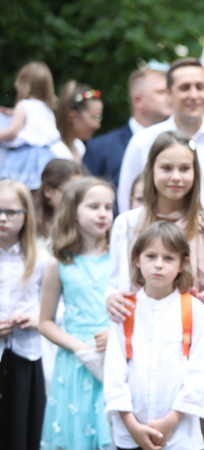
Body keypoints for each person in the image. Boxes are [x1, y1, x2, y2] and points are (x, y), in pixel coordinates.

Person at [105, 130, 204, 450]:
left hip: (188, 351)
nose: (175, 177)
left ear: (195, 173)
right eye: (166, 168)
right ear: (151, 171)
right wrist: (111, 299)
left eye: (184, 168)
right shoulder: (127, 224)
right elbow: (116, 283)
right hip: (136, 345)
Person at [104, 221, 204, 450]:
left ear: (183, 263)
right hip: (130, 432)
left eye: (168, 258)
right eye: (151, 256)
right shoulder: (125, 309)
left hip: (180, 434)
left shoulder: (194, 310)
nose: (158, 264)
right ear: (137, 259)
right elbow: (114, 370)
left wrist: (170, 421)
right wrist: (131, 424)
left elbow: (200, 370)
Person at [39, 177, 114, 450]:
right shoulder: (59, 262)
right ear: (73, 211)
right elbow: (45, 321)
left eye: (108, 207)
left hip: (112, 353)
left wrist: (115, 335)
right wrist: (77, 346)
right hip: (75, 361)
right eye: (94, 207)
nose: (103, 213)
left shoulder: (121, 258)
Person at [116, 57, 204, 215]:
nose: (193, 95)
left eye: (200, 87)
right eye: (185, 88)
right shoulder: (144, 141)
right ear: (169, 93)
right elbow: (126, 201)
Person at [0, 179, 47, 450]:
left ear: (26, 215)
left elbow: (58, 307)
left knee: (21, 428)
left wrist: (37, 319)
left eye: (11, 212)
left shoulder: (40, 259)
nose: (2, 218)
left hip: (26, 354)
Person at [83, 68, 171, 190]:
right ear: (137, 100)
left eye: (170, 92)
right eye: (161, 92)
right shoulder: (100, 148)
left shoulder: (180, 141)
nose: (169, 98)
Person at [0, 61, 61, 189]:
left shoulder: (23, 105)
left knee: (17, 190)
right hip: (46, 156)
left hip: (25, 157)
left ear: (22, 85)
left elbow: (12, 132)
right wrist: (13, 112)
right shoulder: (46, 109)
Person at [35, 158, 86, 242]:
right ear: (48, 190)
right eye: (70, 192)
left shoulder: (85, 227)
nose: (77, 198)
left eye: (81, 192)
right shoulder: (29, 226)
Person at [53, 80, 103, 161]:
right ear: (73, 116)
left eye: (99, 118)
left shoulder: (80, 147)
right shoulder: (53, 151)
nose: (98, 125)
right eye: (94, 118)